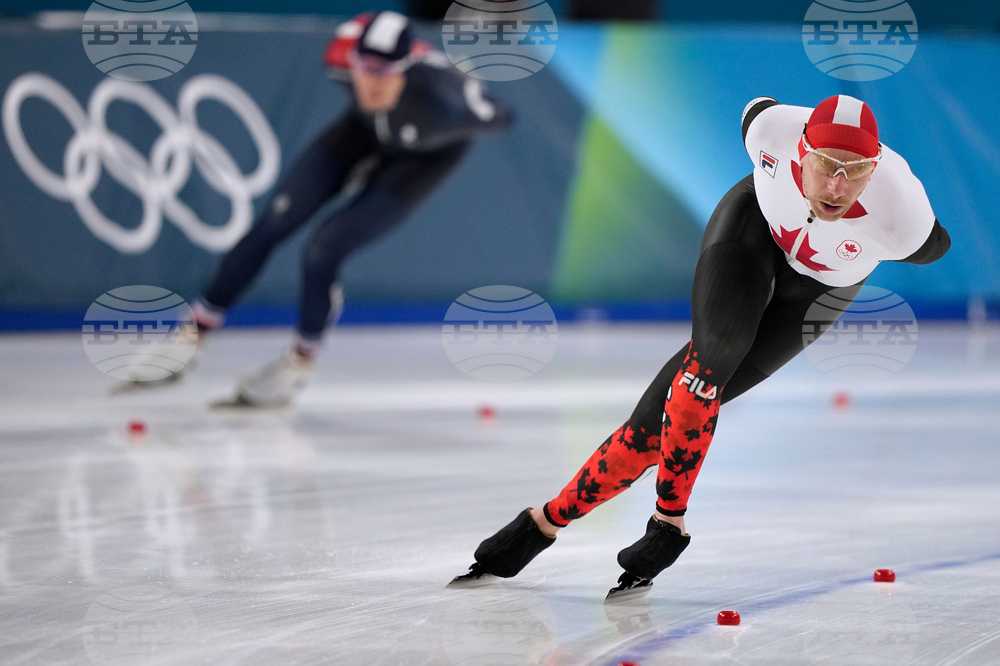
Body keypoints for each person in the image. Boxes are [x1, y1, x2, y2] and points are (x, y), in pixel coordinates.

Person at [451, 94, 951, 597]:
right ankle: (669, 522)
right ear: (801, 150)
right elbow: (756, 107)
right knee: (713, 356)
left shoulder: (903, 220)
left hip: (821, 290)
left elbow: (937, 244)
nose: (837, 186)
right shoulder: (772, 131)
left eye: (855, 171)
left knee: (652, 429)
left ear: (874, 168)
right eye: (825, 164)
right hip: (752, 230)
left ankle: (543, 523)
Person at [129, 11, 512, 405]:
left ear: (405, 69)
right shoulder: (338, 59)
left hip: (422, 160)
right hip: (361, 131)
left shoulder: (445, 99)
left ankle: (299, 362)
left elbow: (502, 116)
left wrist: (474, 107)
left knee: (324, 248)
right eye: (364, 68)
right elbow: (365, 25)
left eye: (383, 72)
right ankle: (191, 336)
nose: (371, 81)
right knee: (275, 222)